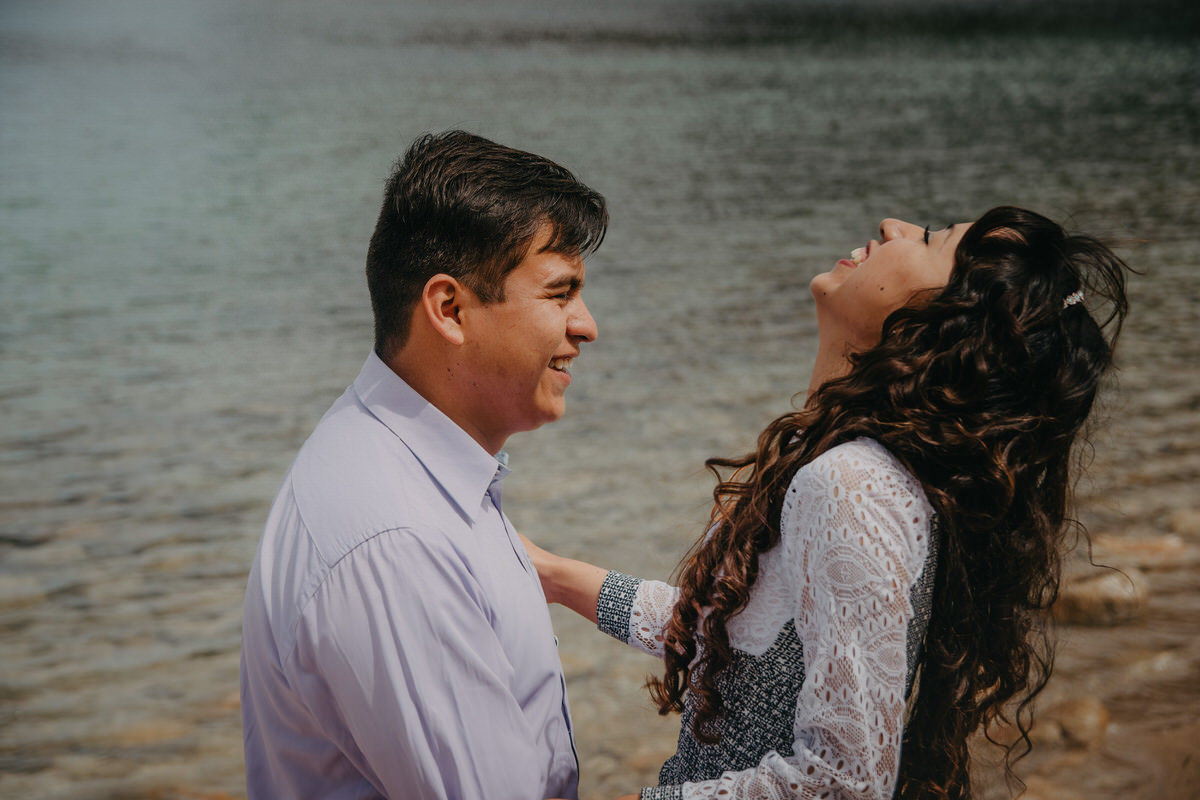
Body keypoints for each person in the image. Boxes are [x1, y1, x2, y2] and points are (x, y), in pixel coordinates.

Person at [524, 207, 1130, 800]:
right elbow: (736, 635)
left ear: (945, 324)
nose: (892, 225)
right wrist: (551, 575)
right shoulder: (852, 463)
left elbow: (845, 782)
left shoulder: (852, 483)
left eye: (929, 239)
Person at [240, 130, 607, 800]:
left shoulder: (400, 463)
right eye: (560, 294)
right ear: (450, 309)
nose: (586, 326)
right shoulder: (400, 541)